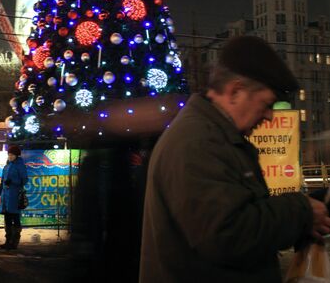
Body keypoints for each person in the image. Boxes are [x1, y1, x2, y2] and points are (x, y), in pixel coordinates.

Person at [139, 36, 330, 283]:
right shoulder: (199, 142)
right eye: (266, 104)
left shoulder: (216, 136)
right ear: (235, 91)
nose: (270, 116)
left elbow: (243, 210)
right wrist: (301, 211)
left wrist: (309, 207)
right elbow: (228, 235)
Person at [0, 145, 28, 250]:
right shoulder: (7, 166)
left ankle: (14, 242)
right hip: (6, 198)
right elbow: (2, 182)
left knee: (15, 219)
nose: (10, 156)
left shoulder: (20, 166)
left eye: (12, 155)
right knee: (7, 220)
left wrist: (13, 182)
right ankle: (7, 241)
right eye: (9, 154)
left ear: (16, 155)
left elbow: (25, 180)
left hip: (15, 197)